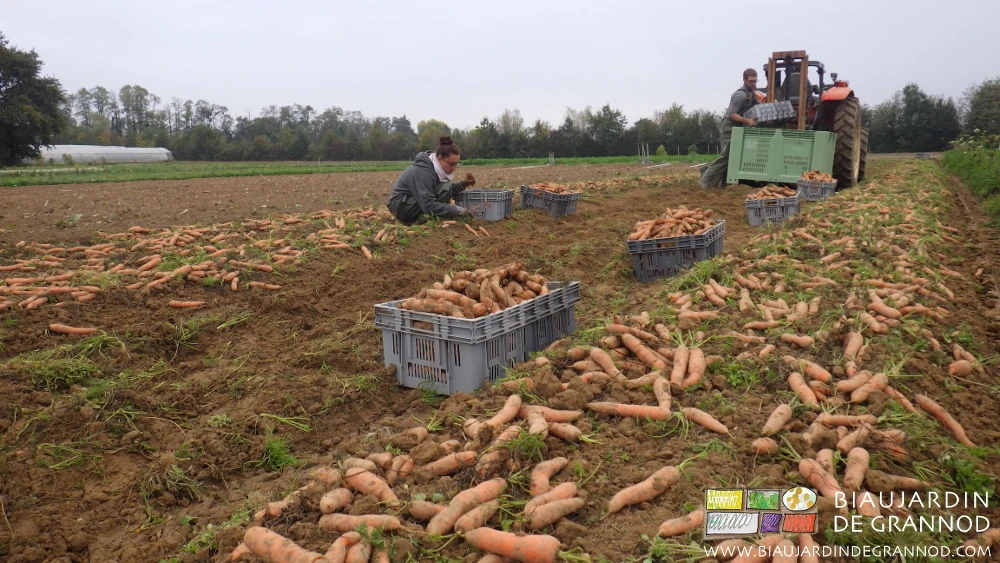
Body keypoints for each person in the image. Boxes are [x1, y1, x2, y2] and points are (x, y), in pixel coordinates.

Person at [387, 136, 477, 225]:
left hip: (411, 203)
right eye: (452, 164)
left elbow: (440, 190)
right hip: (401, 208)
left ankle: (423, 218)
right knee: (444, 190)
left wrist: (463, 184)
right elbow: (429, 205)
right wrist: (455, 210)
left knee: (445, 188)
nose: (454, 168)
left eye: (457, 164)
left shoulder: (434, 168)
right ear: (440, 158)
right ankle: (412, 221)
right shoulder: (423, 172)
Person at [698, 68, 761, 190]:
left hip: (737, 128)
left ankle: (724, 186)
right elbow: (731, 114)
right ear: (744, 80)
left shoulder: (751, 94)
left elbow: (758, 105)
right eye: (751, 81)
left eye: (755, 81)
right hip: (729, 129)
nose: (754, 84)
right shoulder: (740, 95)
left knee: (734, 157)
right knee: (727, 157)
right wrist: (747, 121)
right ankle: (705, 182)